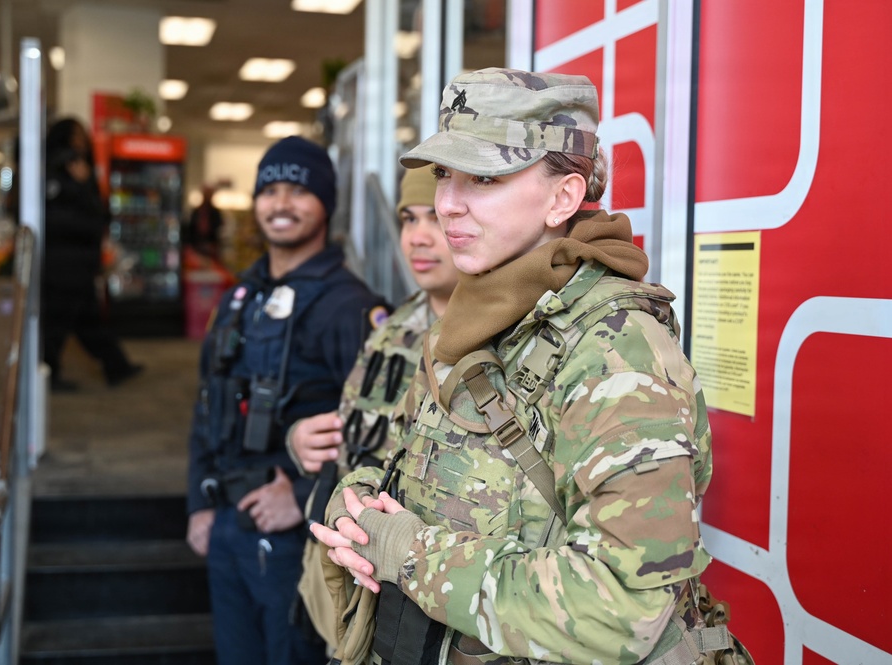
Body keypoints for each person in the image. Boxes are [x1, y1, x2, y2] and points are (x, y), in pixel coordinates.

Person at [311, 68, 752, 664]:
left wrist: (408, 555)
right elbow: (412, 466)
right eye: (444, 173)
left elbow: (623, 609)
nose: (445, 204)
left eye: (484, 177)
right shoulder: (470, 320)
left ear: (562, 197)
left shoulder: (616, 349)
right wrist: (358, 506)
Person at [184, 135, 390, 665]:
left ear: (326, 203)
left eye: (297, 191)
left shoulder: (351, 306)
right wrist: (200, 502)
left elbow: (383, 435)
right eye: (269, 190)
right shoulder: (240, 296)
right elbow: (207, 402)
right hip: (228, 529)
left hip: (299, 538)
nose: (280, 204)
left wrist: (301, 496)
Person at [287, 167, 458, 648]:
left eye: (435, 220)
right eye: (408, 219)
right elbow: (351, 431)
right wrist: (300, 442)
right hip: (352, 574)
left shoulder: (499, 338)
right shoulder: (394, 326)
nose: (418, 238)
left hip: (429, 587)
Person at [42, 117, 142, 391]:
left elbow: (97, 212)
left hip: (78, 262)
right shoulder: (59, 169)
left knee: (88, 320)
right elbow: (62, 217)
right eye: (76, 135)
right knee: (60, 323)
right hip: (65, 264)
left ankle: (116, 366)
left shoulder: (76, 168)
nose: (81, 141)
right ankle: (49, 375)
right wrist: (81, 187)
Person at [184, 183, 224, 259]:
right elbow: (190, 230)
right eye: (206, 194)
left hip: (211, 250)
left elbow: (218, 230)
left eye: (210, 194)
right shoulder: (196, 211)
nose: (208, 196)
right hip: (196, 248)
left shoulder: (215, 212)